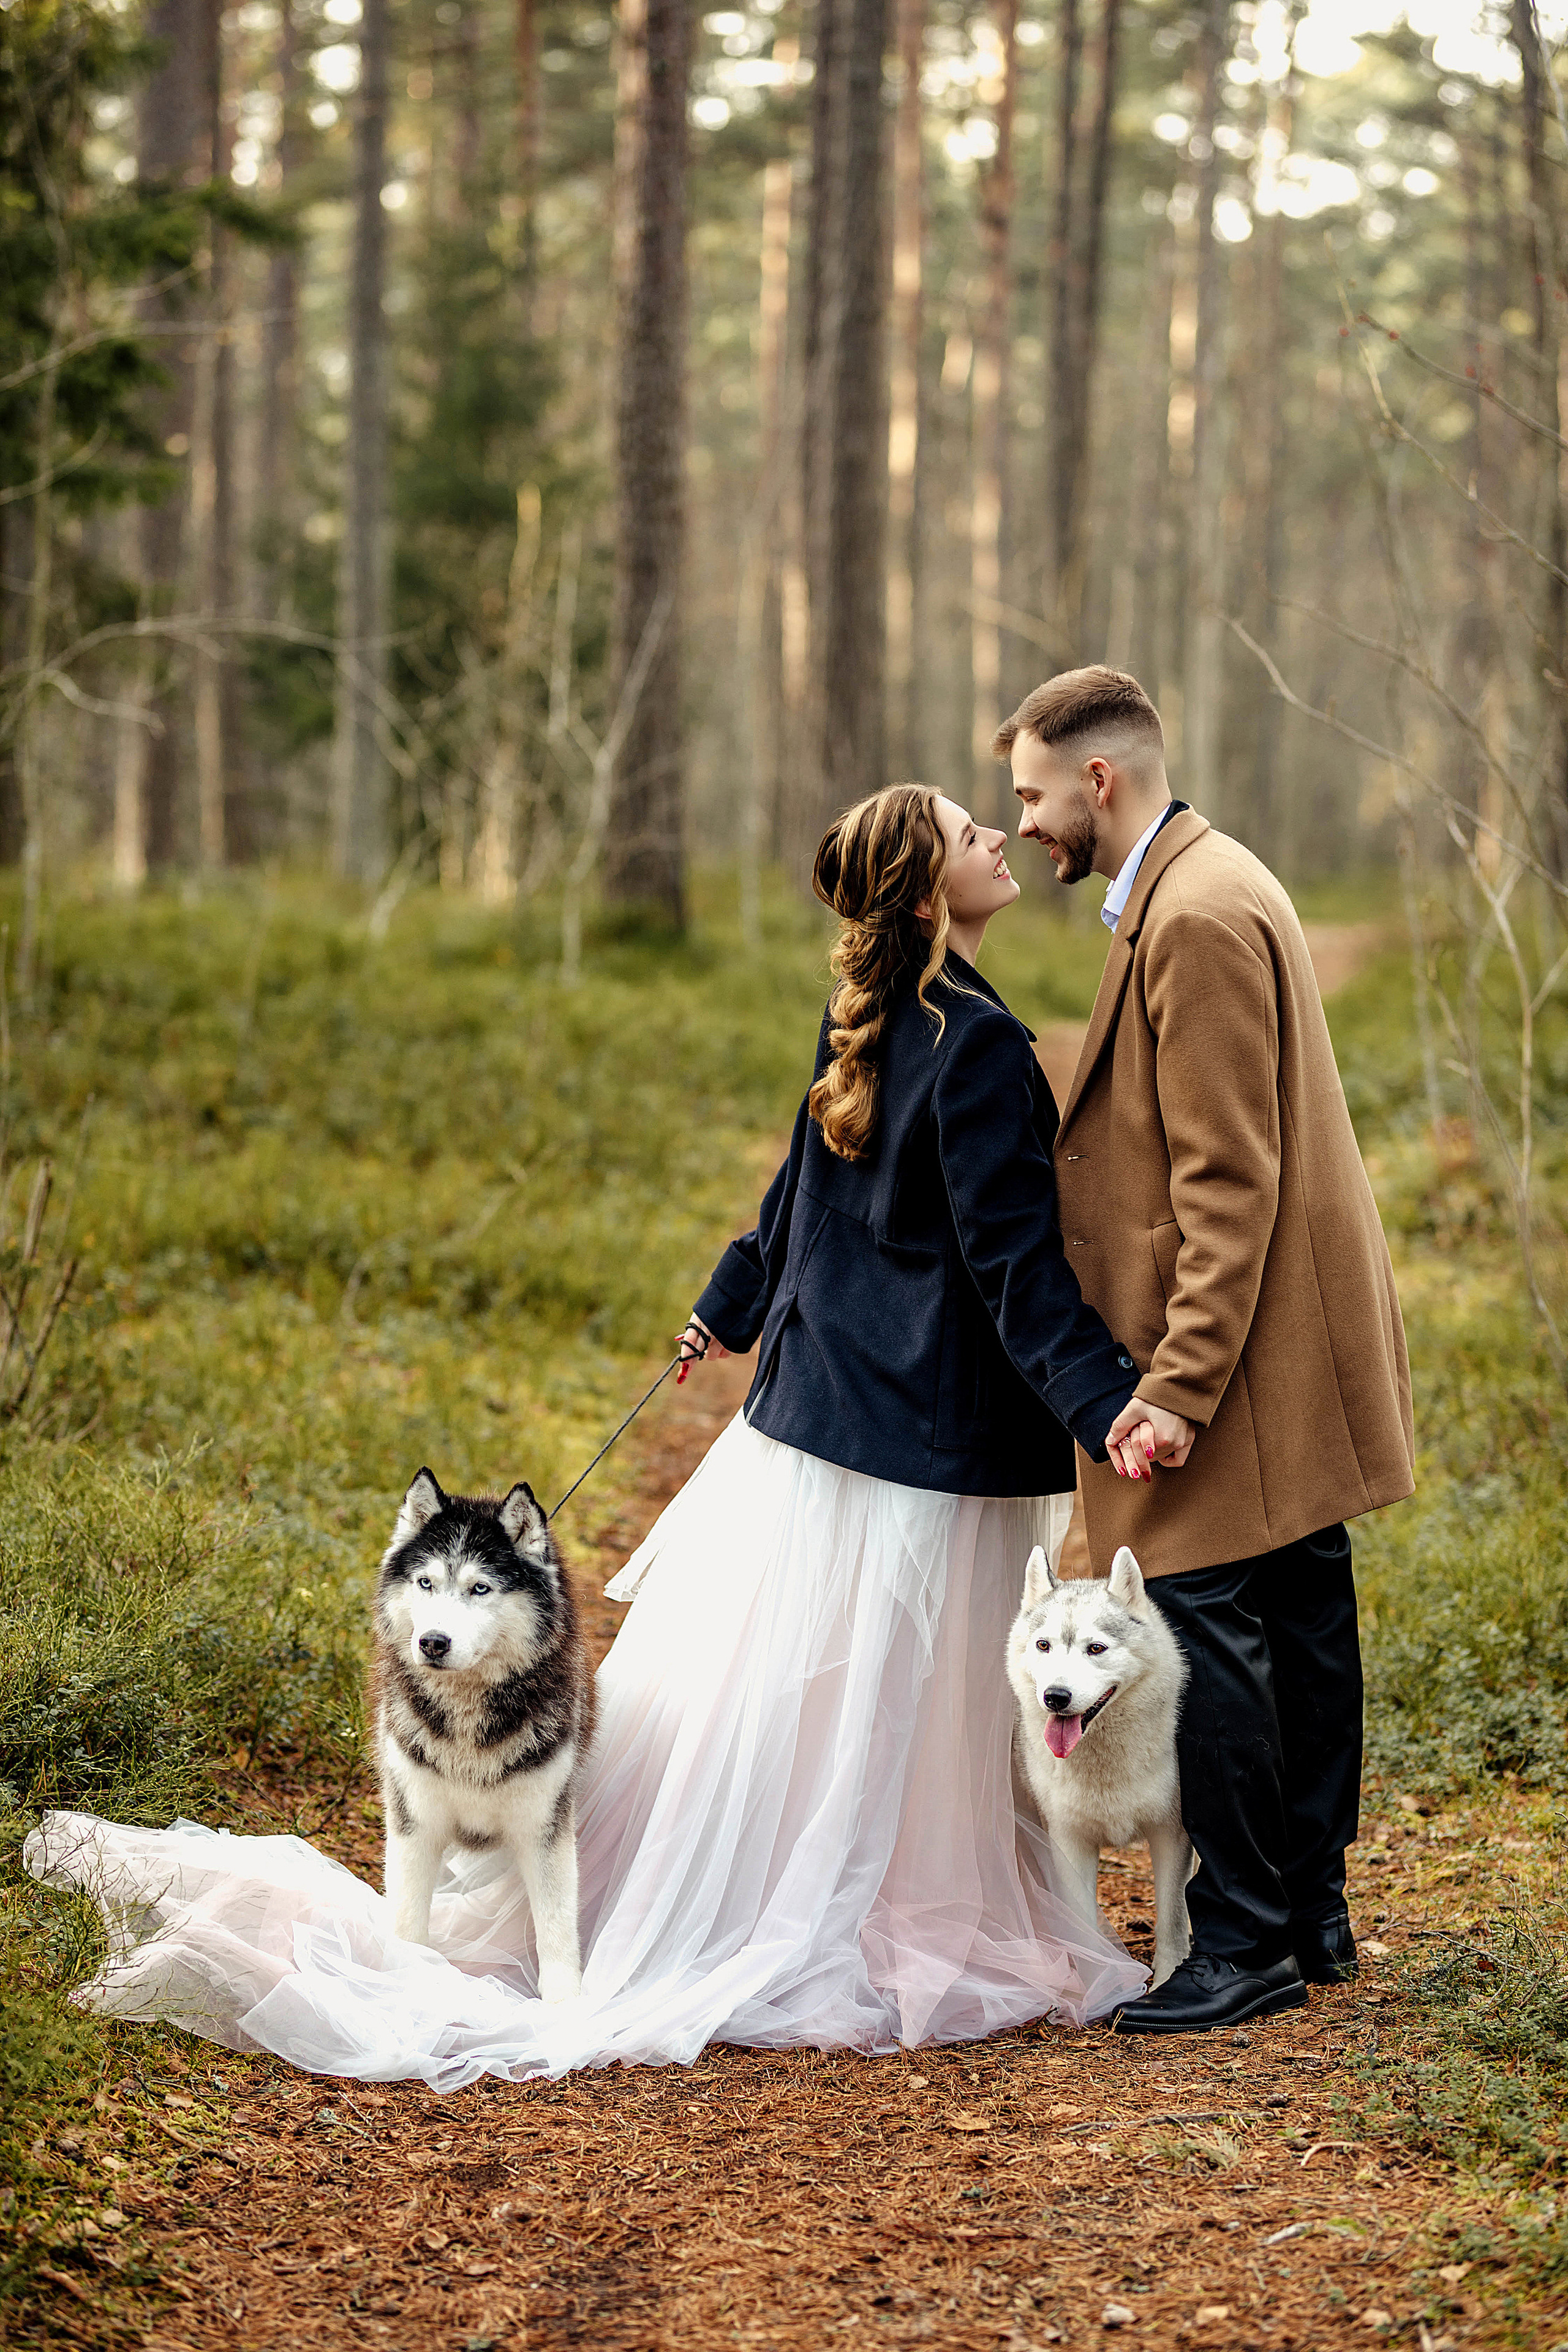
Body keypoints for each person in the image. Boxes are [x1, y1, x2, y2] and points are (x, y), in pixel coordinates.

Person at [29, 783, 1172, 2087]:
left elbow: (794, 1198)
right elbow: (1011, 1264)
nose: (995, 843)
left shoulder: (880, 1019)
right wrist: (1103, 1405)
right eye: (971, 835)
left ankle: (819, 1882)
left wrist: (723, 1307)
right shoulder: (975, 1048)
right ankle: (840, 1905)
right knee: (886, 1689)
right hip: (920, 1435)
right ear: (926, 892)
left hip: (819, 1419)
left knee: (829, 1687)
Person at [995, 665, 1415, 2037]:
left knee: (1217, 1619)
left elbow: (1227, 1178)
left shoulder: (1194, 915)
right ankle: (1308, 1907)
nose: (1023, 825)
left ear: (1096, 780)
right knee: (1296, 1599)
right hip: (1268, 1332)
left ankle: (1240, 1945)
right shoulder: (1197, 882)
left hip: (1232, 1343)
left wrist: (1173, 1385)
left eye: (1030, 794)